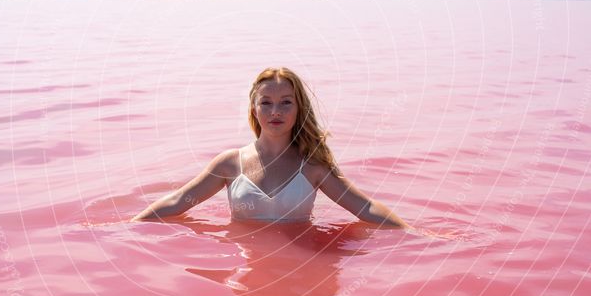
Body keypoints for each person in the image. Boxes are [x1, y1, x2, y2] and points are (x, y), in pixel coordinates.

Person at [130, 67, 409, 228]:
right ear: (254, 108)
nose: (276, 111)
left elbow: (366, 207)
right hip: (248, 267)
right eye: (266, 102)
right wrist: (127, 228)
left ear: (299, 108)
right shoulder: (230, 164)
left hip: (303, 264)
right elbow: (179, 201)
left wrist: (416, 236)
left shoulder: (312, 166)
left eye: (286, 102)